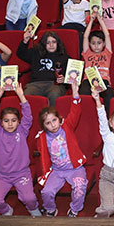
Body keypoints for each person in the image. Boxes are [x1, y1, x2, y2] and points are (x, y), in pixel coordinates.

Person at [0, 84, 41, 217]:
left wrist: (21, 95)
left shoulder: (22, 131)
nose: (10, 124)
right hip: (3, 176)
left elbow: (28, 116)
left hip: (22, 174)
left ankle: (33, 209)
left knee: (30, 199)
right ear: (1, 122)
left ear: (18, 122)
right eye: (6, 121)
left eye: (13, 120)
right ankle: (7, 210)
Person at [36, 81, 88, 218]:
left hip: (75, 168)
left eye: (54, 120)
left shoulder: (67, 127)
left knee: (80, 187)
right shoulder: (42, 137)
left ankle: (74, 210)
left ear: (59, 119)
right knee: (46, 192)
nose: (52, 125)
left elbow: (75, 112)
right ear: (44, 126)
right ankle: (51, 209)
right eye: (48, 123)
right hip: (57, 170)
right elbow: (42, 156)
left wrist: (75, 93)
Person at [17, 30, 69, 106]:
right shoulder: (36, 53)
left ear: (58, 43)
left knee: (55, 94)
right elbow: (21, 54)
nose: (51, 45)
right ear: (44, 44)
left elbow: (70, 75)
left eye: (54, 42)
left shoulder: (64, 56)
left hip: (54, 85)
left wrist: (64, 79)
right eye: (48, 43)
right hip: (35, 84)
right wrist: (25, 41)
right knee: (28, 93)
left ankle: (52, 113)